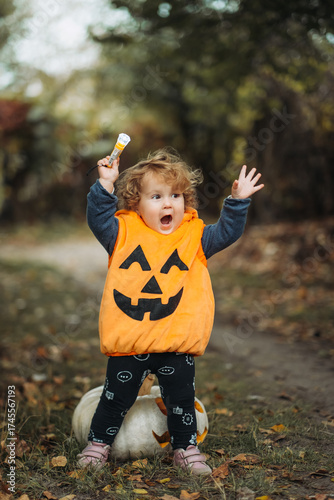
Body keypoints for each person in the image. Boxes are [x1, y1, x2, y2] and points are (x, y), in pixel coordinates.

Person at [77, 148, 264, 474]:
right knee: (114, 399)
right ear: (136, 204)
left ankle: (185, 448)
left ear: (185, 200)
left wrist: (237, 202)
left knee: (181, 402)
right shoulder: (121, 234)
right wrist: (105, 185)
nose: (168, 203)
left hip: (176, 344)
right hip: (130, 343)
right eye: (157, 196)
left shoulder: (195, 237)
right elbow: (97, 218)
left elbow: (227, 232)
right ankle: (98, 444)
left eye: (176, 195)